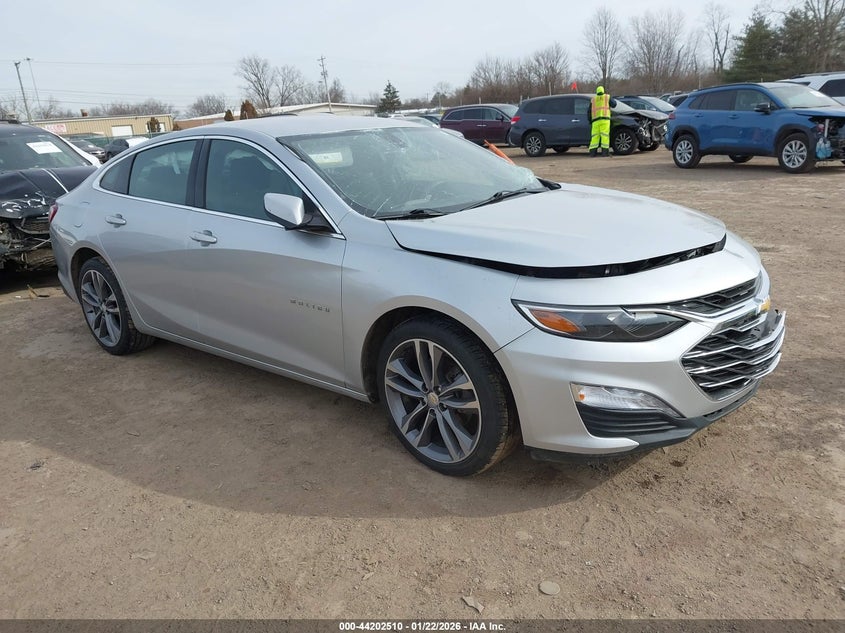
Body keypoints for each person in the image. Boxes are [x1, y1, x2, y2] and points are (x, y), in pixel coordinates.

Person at [589, 85, 617, 157]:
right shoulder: (607, 97)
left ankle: (592, 153)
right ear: (603, 91)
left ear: (597, 92)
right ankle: (605, 153)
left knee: (595, 137)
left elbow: (589, 111)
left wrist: (590, 121)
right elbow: (614, 104)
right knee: (605, 136)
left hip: (595, 121)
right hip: (605, 120)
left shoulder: (593, 99)